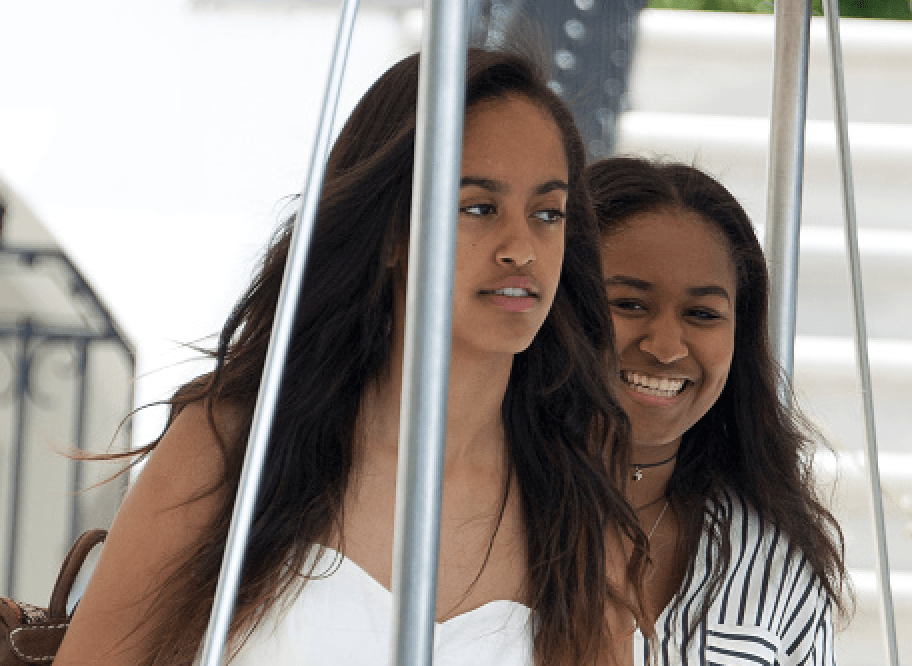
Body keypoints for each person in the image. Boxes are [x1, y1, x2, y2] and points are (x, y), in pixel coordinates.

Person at [54, 49, 650, 666]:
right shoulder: (236, 447)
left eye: (548, 214)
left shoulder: (577, 500)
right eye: (478, 207)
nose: (521, 249)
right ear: (390, 231)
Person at [586, 156, 850, 666]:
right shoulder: (479, 511)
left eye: (702, 314)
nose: (666, 347)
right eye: (629, 304)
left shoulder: (774, 559)